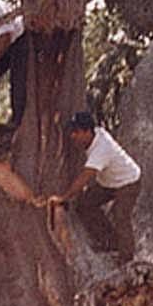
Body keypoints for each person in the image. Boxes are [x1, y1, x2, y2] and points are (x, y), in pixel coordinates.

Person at [45, 111, 142, 262]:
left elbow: (85, 177)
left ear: (87, 132)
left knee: (120, 215)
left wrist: (64, 197)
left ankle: (127, 257)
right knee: (84, 205)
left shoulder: (101, 149)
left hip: (128, 181)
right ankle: (110, 242)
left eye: (76, 132)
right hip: (109, 182)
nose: (73, 136)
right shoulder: (94, 135)